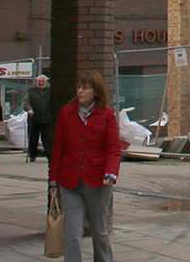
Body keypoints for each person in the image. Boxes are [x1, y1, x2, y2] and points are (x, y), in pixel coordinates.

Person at [50, 70, 122, 262]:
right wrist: (52, 181)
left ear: (95, 91)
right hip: (70, 181)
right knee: (72, 232)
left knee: (99, 231)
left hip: (98, 181)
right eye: (78, 87)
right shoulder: (67, 112)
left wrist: (111, 173)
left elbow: (114, 149)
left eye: (85, 87)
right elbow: (58, 148)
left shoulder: (106, 114)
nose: (80, 91)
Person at [24, 74, 53, 162]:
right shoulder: (30, 91)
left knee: (47, 139)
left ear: (46, 82)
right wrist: (29, 110)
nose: (40, 83)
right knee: (33, 139)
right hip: (34, 119)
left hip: (46, 119)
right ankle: (32, 155)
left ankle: (49, 155)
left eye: (42, 81)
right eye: (39, 81)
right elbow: (26, 102)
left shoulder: (50, 92)